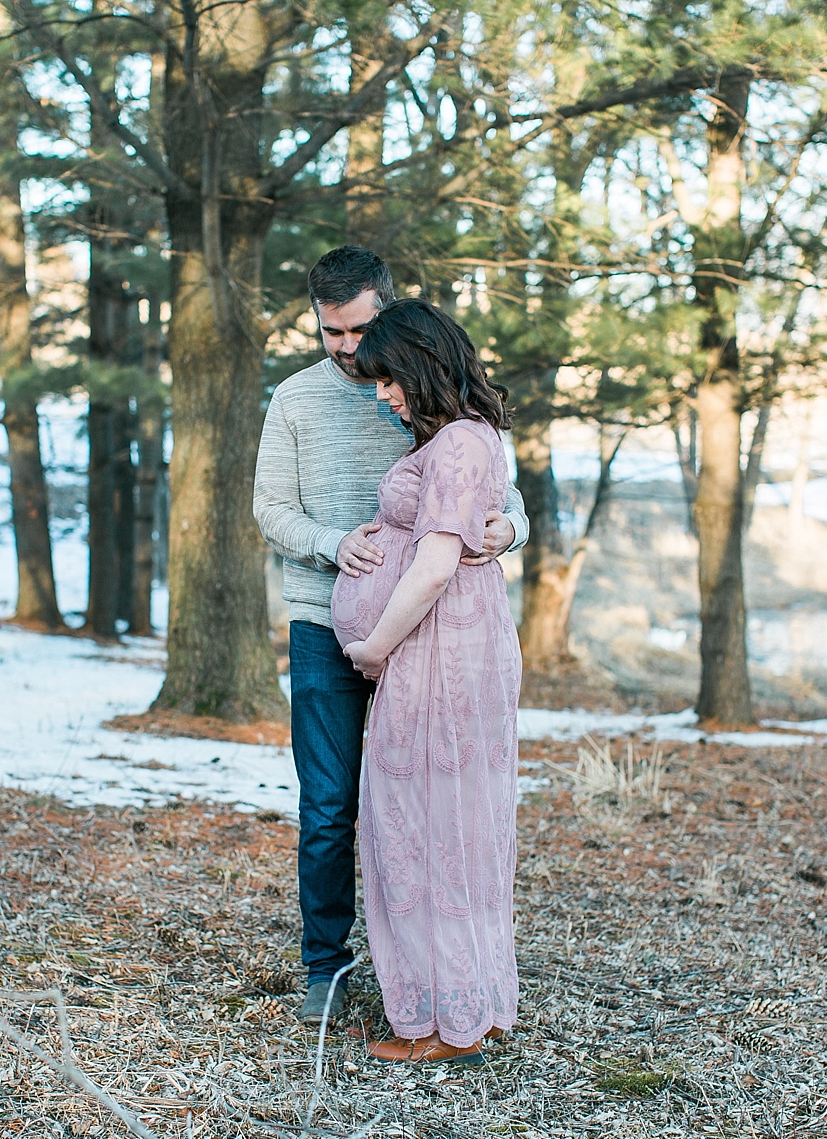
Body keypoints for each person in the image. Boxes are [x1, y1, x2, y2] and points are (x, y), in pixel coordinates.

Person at [253, 248, 528, 1029]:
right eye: (330, 331)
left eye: (359, 330)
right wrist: (333, 542)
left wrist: (507, 528)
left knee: (423, 802)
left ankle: (427, 969)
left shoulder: (427, 389)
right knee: (333, 802)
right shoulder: (295, 400)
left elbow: (499, 497)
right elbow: (269, 507)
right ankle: (327, 964)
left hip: (427, 636)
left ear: (393, 316)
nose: (346, 349)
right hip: (324, 622)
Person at [329, 298, 522, 1064]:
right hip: (445, 645)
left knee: (426, 825)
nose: (381, 393)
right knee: (450, 823)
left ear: (421, 365)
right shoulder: (463, 438)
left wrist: (375, 644)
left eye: (388, 379)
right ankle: (468, 1001)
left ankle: (444, 1023)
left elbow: (438, 562)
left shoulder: (457, 447)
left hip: (439, 650)